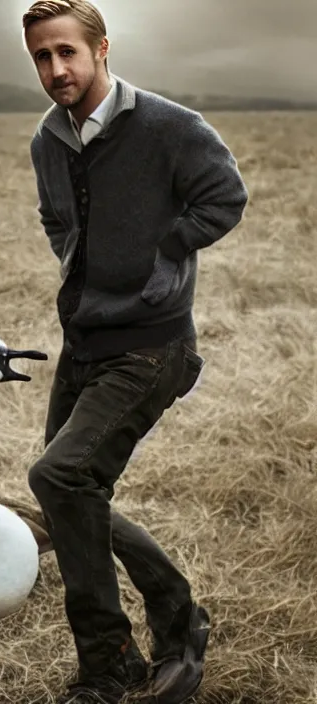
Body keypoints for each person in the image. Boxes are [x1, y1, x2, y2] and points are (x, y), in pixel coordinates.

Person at [21, 1, 249, 703]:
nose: (55, 69)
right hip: (84, 341)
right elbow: (56, 216)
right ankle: (181, 615)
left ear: (101, 48)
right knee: (65, 492)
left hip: (153, 345)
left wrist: (163, 256)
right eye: (40, 57)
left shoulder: (170, 127)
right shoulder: (47, 139)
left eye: (67, 52)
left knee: (63, 480)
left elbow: (225, 196)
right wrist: (81, 259)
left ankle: (109, 669)